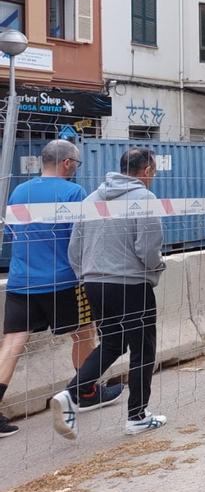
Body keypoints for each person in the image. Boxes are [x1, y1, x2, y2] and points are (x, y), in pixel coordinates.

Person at [0, 141, 122, 438]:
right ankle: (87, 392)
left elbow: (11, 233)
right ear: (67, 163)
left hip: (21, 280)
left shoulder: (18, 191)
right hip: (63, 280)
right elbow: (79, 238)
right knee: (83, 332)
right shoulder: (73, 193)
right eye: (76, 165)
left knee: (12, 342)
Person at [54, 147, 166, 439]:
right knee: (143, 348)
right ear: (146, 171)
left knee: (112, 344)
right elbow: (148, 248)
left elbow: (74, 249)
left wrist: (88, 275)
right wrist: (156, 267)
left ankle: (71, 393)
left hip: (94, 284)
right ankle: (137, 415)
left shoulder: (92, 199)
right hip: (130, 284)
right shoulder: (145, 198)